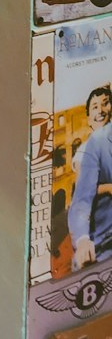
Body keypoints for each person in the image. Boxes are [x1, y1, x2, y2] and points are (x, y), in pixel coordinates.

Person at [68, 85, 112, 268]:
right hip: (97, 241)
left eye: (105, 103)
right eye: (95, 107)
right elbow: (83, 191)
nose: (100, 110)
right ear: (88, 119)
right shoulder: (86, 150)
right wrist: (109, 188)